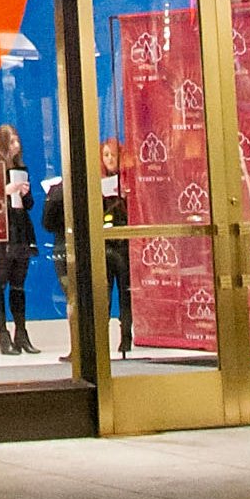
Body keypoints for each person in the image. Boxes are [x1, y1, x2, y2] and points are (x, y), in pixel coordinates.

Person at [0, 123, 37, 357]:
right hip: (1, 233)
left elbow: (29, 205)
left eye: (18, 141)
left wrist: (25, 193)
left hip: (20, 230)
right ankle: (3, 334)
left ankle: (21, 332)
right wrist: (5, 191)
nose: (17, 145)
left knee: (19, 283)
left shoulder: (22, 168)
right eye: (12, 141)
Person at [100, 138, 134, 359]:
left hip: (123, 243)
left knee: (125, 292)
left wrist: (126, 197)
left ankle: (125, 337)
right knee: (103, 292)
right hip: (104, 242)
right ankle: (100, 338)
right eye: (106, 155)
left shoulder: (129, 181)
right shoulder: (98, 182)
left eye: (113, 155)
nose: (110, 159)